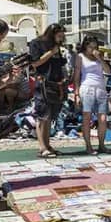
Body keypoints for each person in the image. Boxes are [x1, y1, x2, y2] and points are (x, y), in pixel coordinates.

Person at [29, 24, 67, 158]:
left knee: (49, 117)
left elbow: (60, 64)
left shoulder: (57, 46)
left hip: (56, 84)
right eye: (59, 36)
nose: (61, 38)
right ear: (52, 34)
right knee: (42, 116)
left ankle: (48, 145)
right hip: (43, 84)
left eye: (62, 36)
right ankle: (42, 147)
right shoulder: (37, 43)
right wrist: (51, 53)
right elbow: (34, 63)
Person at [72, 37, 111, 155]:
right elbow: (76, 76)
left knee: (103, 119)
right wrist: (76, 93)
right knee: (87, 117)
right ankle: (88, 146)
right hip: (87, 88)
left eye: (95, 47)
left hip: (100, 89)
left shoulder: (99, 57)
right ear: (85, 46)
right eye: (91, 47)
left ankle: (101, 145)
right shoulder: (80, 57)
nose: (93, 49)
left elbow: (108, 71)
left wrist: (100, 58)